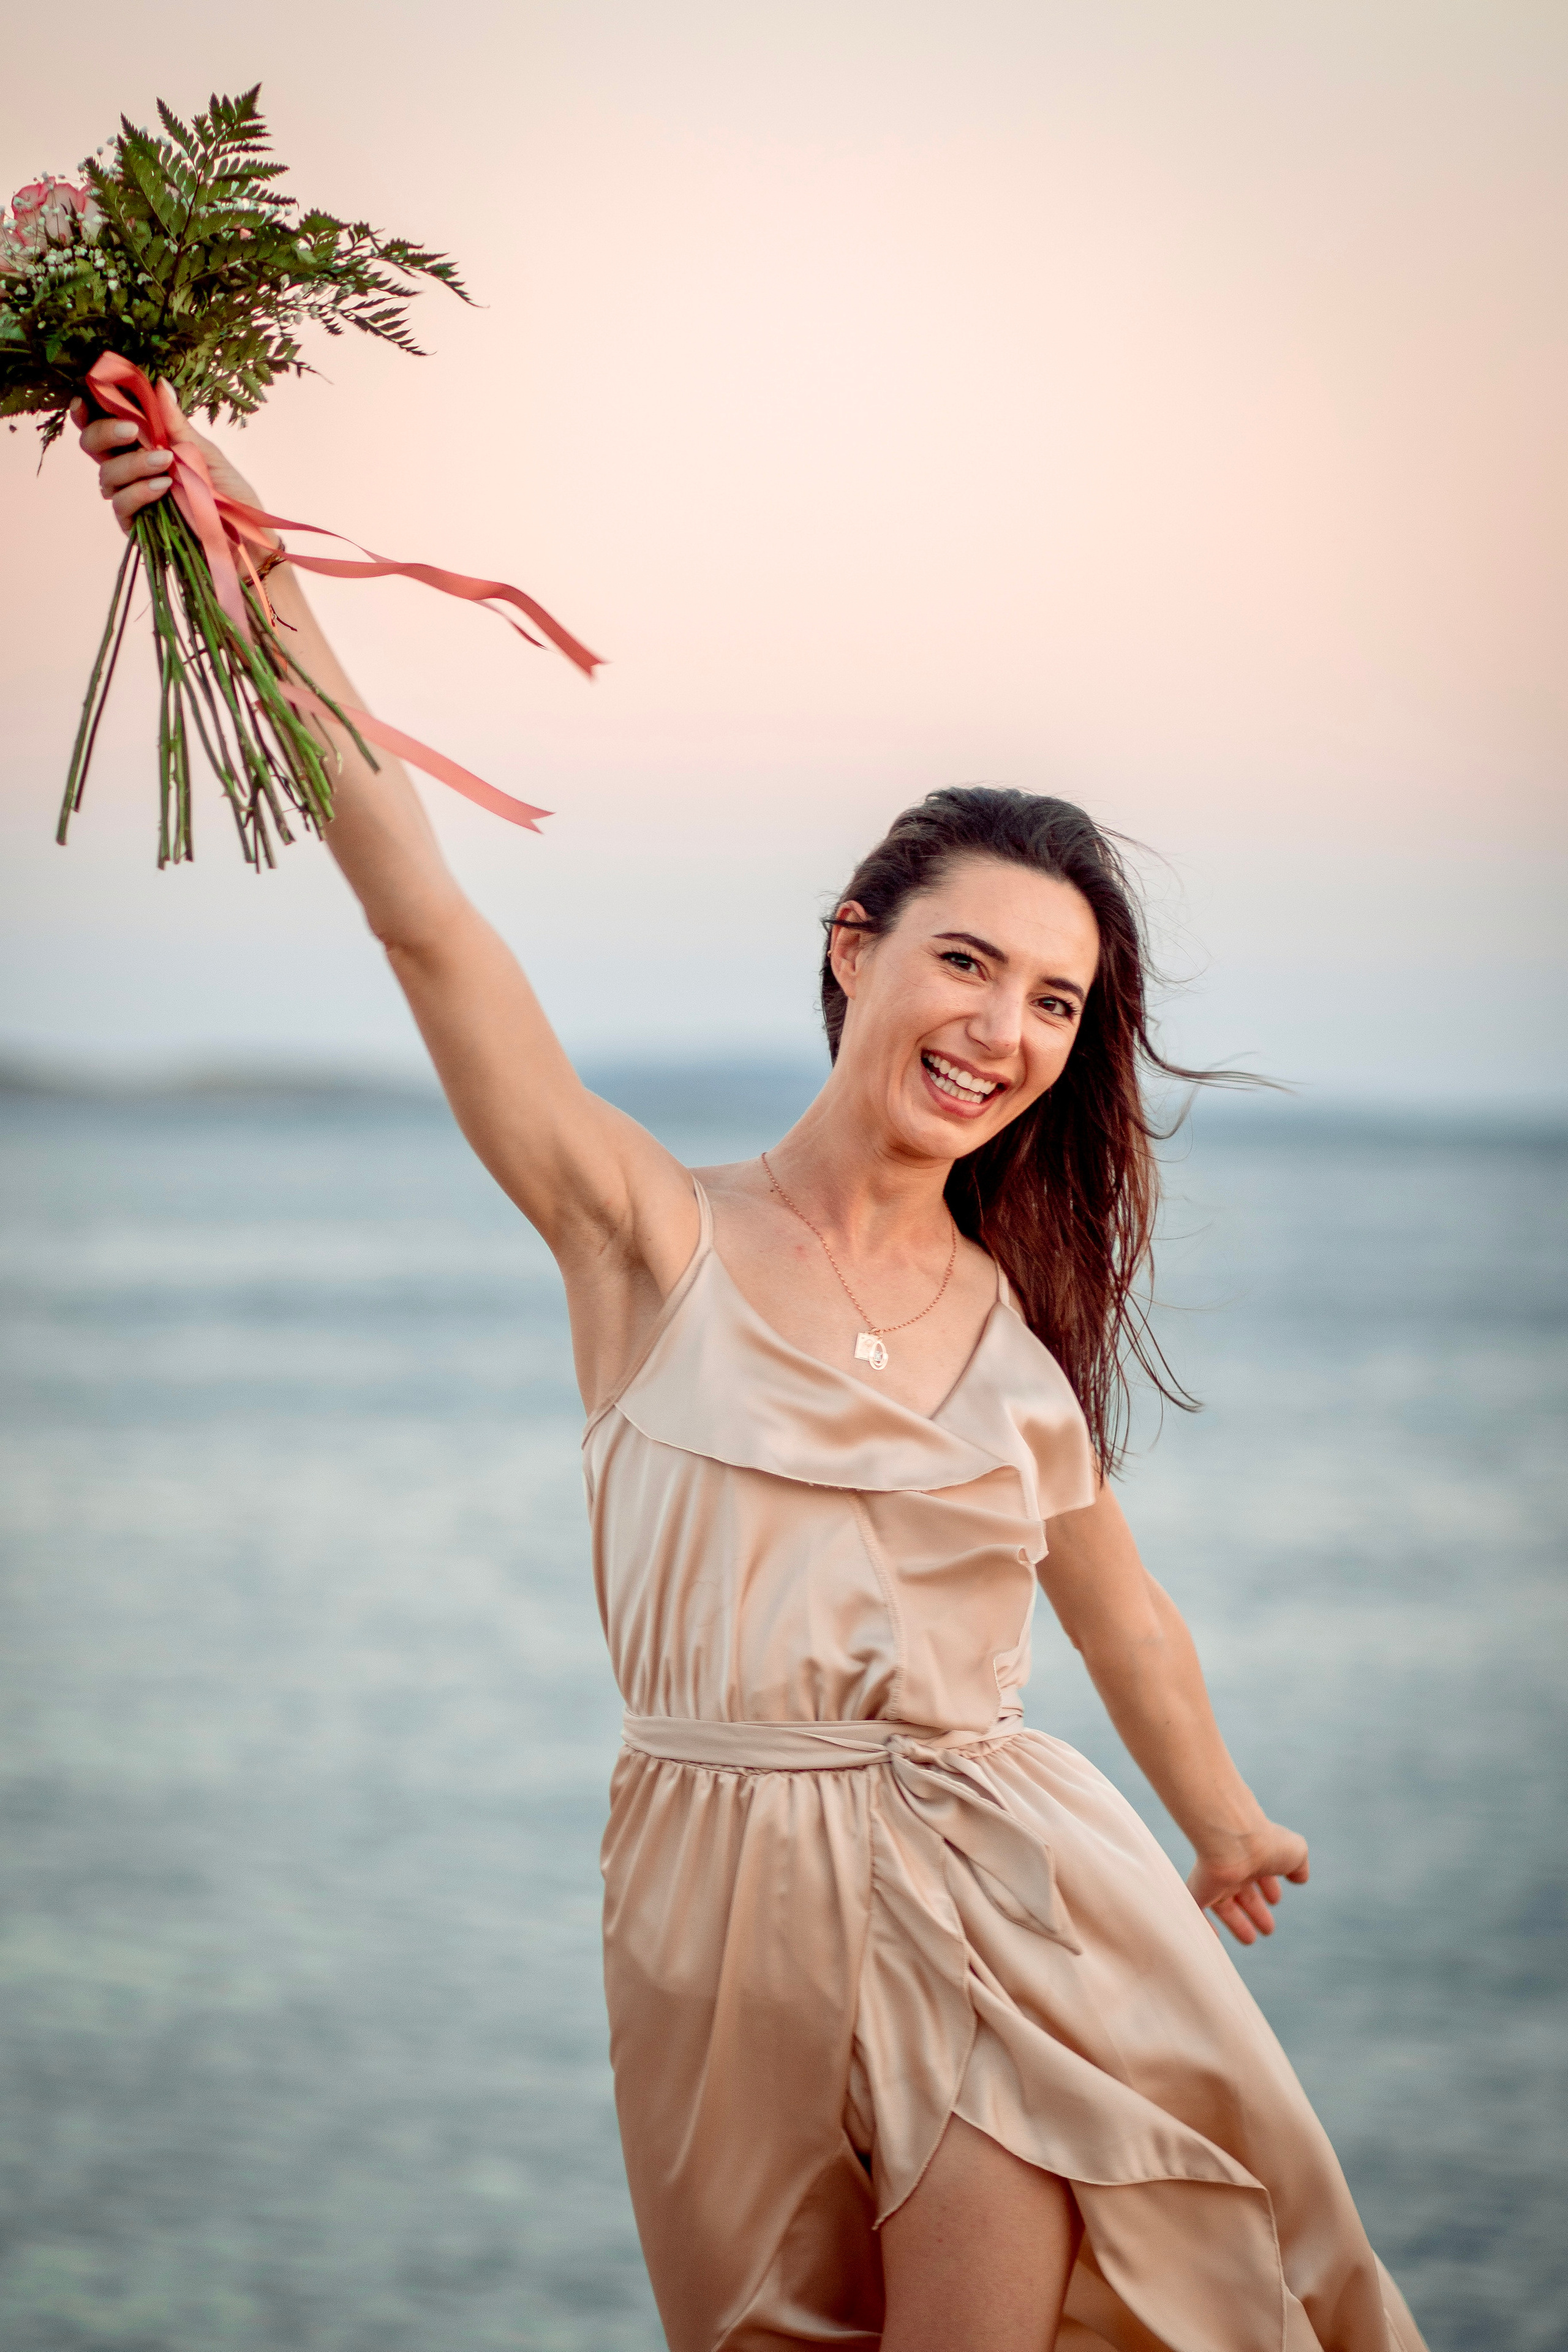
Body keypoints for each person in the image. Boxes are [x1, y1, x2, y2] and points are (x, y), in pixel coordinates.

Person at [79, 401, 1430, 2352]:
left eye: (1057, 1001)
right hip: (711, 1907)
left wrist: (1222, 1821)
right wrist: (238, 567)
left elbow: (1123, 1614)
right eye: (968, 964)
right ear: (855, 948)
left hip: (995, 1896)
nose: (1006, 1029)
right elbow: (427, 922)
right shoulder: (647, 1235)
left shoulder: (1016, 1344)